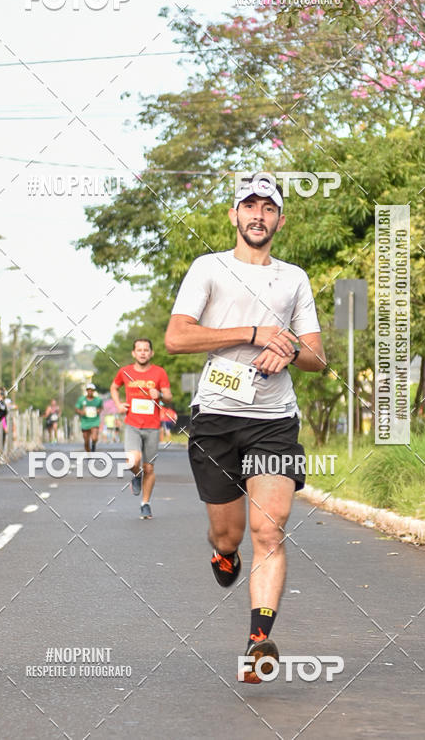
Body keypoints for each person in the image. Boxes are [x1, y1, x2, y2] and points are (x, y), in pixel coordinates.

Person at [164, 173, 326, 683]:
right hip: (215, 418)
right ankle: (223, 552)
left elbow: (317, 356)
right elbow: (177, 337)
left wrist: (289, 348)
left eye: (268, 208)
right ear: (234, 216)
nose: (258, 216)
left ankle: (259, 640)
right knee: (230, 533)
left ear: (281, 218)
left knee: (269, 530)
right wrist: (257, 334)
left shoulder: (294, 278)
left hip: (274, 421)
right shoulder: (208, 269)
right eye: (249, 207)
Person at [110, 339, 172, 520]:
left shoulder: (159, 372)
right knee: (132, 460)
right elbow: (114, 387)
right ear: (133, 353)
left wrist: (159, 394)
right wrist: (118, 404)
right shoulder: (125, 372)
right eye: (139, 350)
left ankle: (145, 504)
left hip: (152, 426)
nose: (143, 353)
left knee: (149, 468)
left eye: (146, 350)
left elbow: (168, 396)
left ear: (151, 353)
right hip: (132, 424)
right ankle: (136, 476)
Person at [75, 385, 103, 452]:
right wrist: (81, 412)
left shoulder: (98, 400)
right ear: (87, 390)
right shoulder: (81, 399)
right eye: (89, 390)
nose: (90, 391)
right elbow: (77, 408)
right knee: (86, 441)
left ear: (94, 391)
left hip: (94, 420)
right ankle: (89, 453)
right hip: (85, 421)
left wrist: (99, 410)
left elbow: (101, 407)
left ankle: (93, 445)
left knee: (94, 438)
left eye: (92, 390)